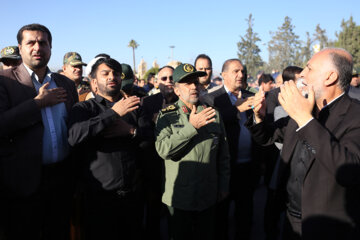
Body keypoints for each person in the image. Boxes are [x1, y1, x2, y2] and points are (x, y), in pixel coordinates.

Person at [249, 48, 360, 240]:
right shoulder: (305, 108)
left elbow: (349, 170)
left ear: (330, 77)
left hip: (326, 227)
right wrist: (258, 117)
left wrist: (305, 120)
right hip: (290, 220)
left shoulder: (354, 115)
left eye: (309, 68)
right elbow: (267, 137)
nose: (302, 73)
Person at [0, 23, 78, 240]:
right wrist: (37, 104)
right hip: (22, 183)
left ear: (50, 47)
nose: (37, 47)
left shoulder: (65, 84)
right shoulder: (5, 82)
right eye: (31, 42)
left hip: (61, 179)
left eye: (43, 42)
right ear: (20, 47)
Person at [155, 63, 230, 240]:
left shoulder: (213, 114)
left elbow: (223, 156)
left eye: (195, 82)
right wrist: (191, 127)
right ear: (177, 90)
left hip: (208, 196)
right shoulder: (167, 115)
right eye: (187, 83)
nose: (193, 87)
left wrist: (224, 186)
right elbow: (163, 150)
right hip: (180, 198)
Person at [201, 59, 261, 240]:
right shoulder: (212, 98)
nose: (241, 75)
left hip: (249, 167)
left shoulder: (253, 95)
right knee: (221, 218)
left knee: (245, 215)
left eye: (242, 71)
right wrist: (236, 110)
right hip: (224, 169)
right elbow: (211, 124)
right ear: (224, 75)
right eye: (235, 71)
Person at [138, 65, 178, 239]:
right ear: (156, 83)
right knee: (153, 211)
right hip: (154, 166)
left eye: (171, 78)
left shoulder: (185, 101)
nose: (168, 81)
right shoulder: (147, 103)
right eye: (164, 78)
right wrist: (156, 123)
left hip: (179, 165)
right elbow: (141, 135)